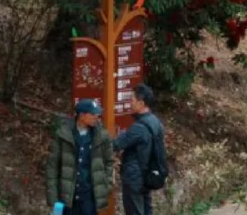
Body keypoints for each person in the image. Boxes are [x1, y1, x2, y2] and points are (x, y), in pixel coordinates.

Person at [46, 98, 113, 215]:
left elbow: (109, 162)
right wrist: (53, 197)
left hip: (89, 198)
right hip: (67, 198)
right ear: (82, 116)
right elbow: (52, 167)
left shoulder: (102, 136)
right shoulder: (63, 135)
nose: (97, 117)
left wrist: (105, 186)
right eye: (93, 114)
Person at [113, 85, 166, 215]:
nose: (130, 103)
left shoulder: (139, 128)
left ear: (141, 103)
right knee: (147, 210)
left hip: (134, 177)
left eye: (132, 100)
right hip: (147, 175)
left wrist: (120, 134)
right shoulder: (156, 122)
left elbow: (117, 144)